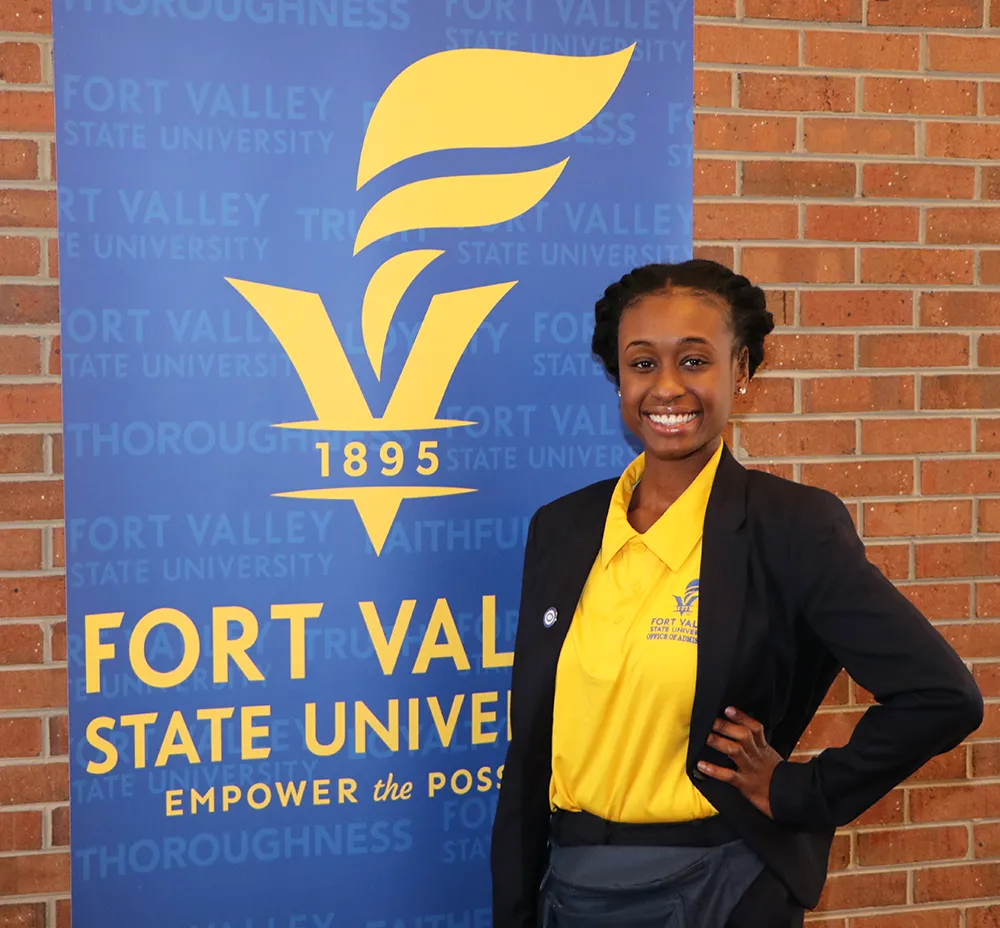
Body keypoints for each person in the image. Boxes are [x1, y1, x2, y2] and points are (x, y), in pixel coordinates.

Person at [490, 259, 984, 928]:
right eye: (642, 364)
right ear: (618, 377)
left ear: (741, 370)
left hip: (720, 888)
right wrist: (516, 905)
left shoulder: (788, 527)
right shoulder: (563, 528)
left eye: (694, 361)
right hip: (573, 884)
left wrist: (800, 791)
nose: (667, 387)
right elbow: (531, 749)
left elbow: (941, 696)